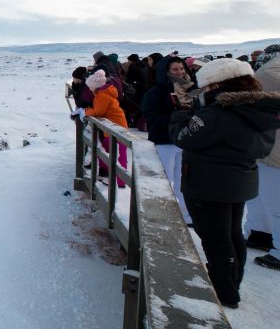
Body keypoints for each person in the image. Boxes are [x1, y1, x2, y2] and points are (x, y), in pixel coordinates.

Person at [170, 59, 280, 307]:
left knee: (216, 240)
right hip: (238, 181)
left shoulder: (218, 114)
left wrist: (180, 114)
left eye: (207, 86)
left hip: (209, 184)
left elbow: (184, 137)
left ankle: (224, 293)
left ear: (218, 85)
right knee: (231, 236)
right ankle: (232, 284)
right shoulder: (258, 109)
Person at [141, 55, 192, 222]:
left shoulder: (191, 88)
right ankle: (161, 215)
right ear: (166, 71)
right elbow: (150, 116)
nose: (179, 72)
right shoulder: (156, 92)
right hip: (164, 141)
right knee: (165, 181)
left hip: (186, 141)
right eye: (175, 69)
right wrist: (176, 118)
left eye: (182, 68)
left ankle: (185, 215)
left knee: (184, 181)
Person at [251, 48, 280, 270]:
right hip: (268, 144)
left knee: (273, 201)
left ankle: (278, 250)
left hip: (272, 146)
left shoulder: (269, 74)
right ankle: (260, 232)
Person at [82, 69, 129, 185]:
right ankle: (118, 179)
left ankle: (120, 181)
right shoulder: (105, 93)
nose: (89, 89)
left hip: (115, 127)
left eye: (89, 87)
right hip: (117, 125)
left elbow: (98, 111)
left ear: (94, 86)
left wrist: (86, 111)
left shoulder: (102, 96)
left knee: (117, 152)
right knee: (116, 151)